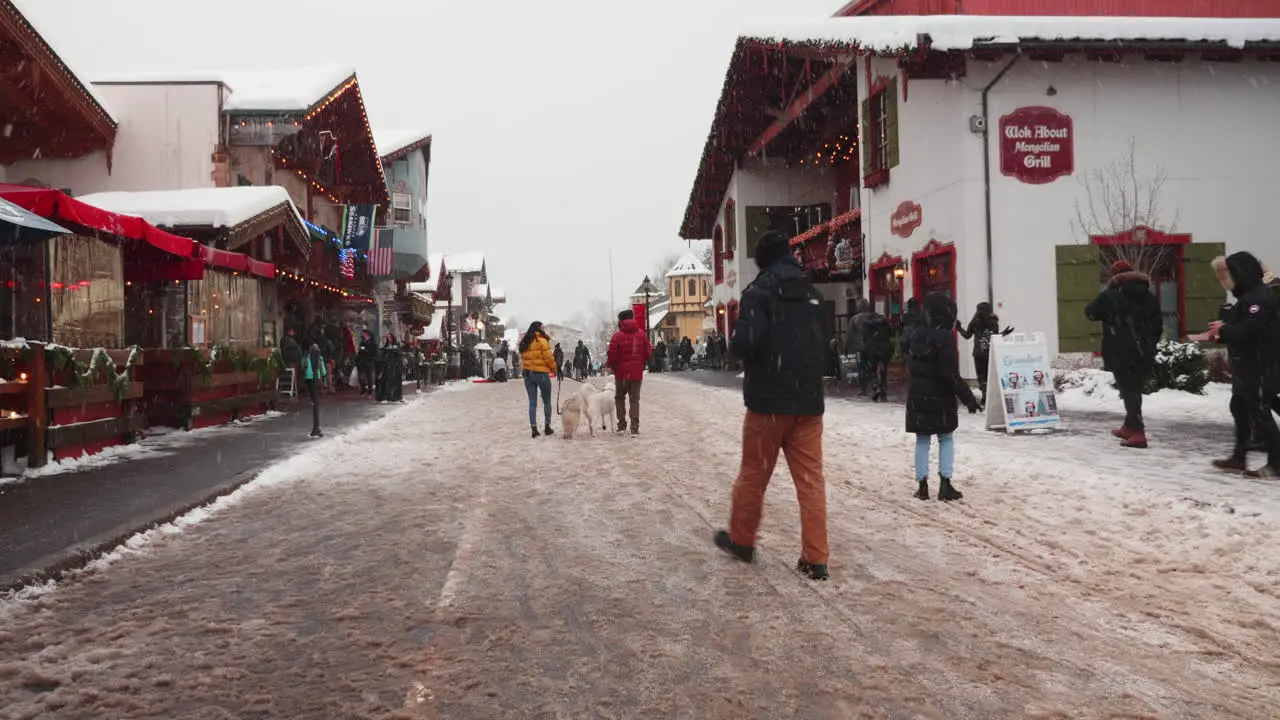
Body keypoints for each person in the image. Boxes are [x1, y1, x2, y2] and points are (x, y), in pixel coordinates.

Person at [713, 230, 830, 581]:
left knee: (753, 475)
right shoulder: (811, 293)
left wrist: (737, 339)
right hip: (808, 404)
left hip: (768, 404)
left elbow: (745, 343)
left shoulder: (758, 293)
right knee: (811, 482)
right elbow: (822, 343)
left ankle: (743, 540)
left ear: (761, 260)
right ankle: (816, 557)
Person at [1208, 252, 1280, 477]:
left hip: (1258, 365)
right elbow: (1247, 324)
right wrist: (1225, 326)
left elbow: (1254, 329)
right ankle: (1239, 457)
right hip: (1248, 366)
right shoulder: (1250, 296)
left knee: (1261, 413)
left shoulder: (1257, 297)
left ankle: (1276, 464)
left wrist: (1224, 330)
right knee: (1239, 407)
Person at [907, 293, 981, 501]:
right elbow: (950, 374)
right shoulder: (945, 338)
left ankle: (922, 486)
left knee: (922, 440)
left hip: (918, 396)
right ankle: (945, 484)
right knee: (945, 438)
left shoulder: (915, 335)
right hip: (940, 397)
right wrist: (968, 398)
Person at [1085, 260, 1163, 449]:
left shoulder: (1112, 295)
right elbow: (1158, 326)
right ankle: (1129, 426)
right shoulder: (1150, 296)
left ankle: (1138, 432)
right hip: (1143, 351)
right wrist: (1147, 344)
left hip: (1121, 350)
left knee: (1129, 390)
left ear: (1115, 277)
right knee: (1133, 388)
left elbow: (1091, 313)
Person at [956, 301, 1014, 406]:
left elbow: (967, 336)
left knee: (981, 377)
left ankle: (985, 396)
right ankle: (990, 396)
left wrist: (959, 328)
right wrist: (1004, 333)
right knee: (989, 376)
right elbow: (994, 338)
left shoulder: (975, 322)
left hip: (978, 354)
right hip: (990, 353)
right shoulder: (993, 322)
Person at [606, 309, 653, 435]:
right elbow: (648, 352)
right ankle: (634, 427)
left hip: (621, 373)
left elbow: (612, 354)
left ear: (621, 320)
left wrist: (612, 366)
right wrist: (642, 363)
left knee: (620, 398)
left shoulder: (617, 336)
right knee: (634, 399)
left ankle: (621, 425)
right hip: (636, 373)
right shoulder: (641, 335)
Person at [519, 322, 557, 438]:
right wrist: (554, 369)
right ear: (538, 328)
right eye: (543, 327)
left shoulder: (524, 342)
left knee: (532, 402)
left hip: (528, 375)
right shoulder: (542, 341)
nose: (544, 330)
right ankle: (547, 427)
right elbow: (549, 358)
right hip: (541, 374)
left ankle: (534, 428)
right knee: (546, 401)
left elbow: (524, 358)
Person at [844, 298, 874, 393]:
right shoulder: (872, 316)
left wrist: (846, 348)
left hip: (859, 347)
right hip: (871, 345)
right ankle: (873, 384)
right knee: (871, 365)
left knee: (861, 366)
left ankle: (863, 387)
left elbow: (849, 335)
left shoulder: (855, 319)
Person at [863, 310, 894, 402]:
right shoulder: (887, 324)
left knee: (872, 370)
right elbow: (892, 334)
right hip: (885, 349)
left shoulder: (870, 324)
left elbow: (866, 336)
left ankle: (876, 387)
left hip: (874, 349)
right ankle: (883, 392)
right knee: (884, 372)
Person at [300, 336, 326, 438]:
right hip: (316, 376)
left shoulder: (306, 355)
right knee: (315, 395)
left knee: (312, 391)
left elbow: (303, 364)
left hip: (309, 376)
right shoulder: (317, 354)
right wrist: (323, 375)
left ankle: (314, 401)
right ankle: (315, 402)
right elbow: (321, 366)